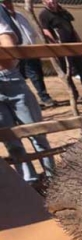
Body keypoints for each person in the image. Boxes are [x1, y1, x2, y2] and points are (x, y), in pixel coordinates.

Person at [0, 4, 55, 188]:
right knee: (11, 140)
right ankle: (30, 183)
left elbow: (7, 50)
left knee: (36, 132)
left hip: (10, 78)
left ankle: (52, 178)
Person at [0, 0, 55, 108]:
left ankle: (42, 97)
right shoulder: (4, 18)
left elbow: (30, 30)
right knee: (26, 76)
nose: (8, 5)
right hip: (18, 52)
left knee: (37, 75)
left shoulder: (20, 15)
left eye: (9, 2)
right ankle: (42, 98)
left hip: (30, 50)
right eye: (5, 3)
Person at [39, 0, 82, 100]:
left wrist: (79, 41)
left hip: (73, 44)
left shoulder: (63, 12)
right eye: (48, 0)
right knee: (67, 71)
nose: (52, 1)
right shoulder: (44, 14)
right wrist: (55, 44)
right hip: (61, 46)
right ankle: (74, 94)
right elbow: (45, 30)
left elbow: (71, 27)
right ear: (43, 2)